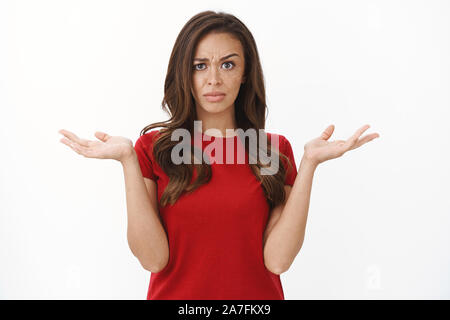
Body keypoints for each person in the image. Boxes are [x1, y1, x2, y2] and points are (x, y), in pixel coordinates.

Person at [58, 10, 380, 300]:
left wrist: (309, 164)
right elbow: (152, 259)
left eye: (228, 64)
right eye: (200, 66)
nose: (214, 79)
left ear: (244, 73)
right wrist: (127, 159)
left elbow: (278, 260)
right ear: (184, 73)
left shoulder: (272, 150)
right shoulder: (152, 149)